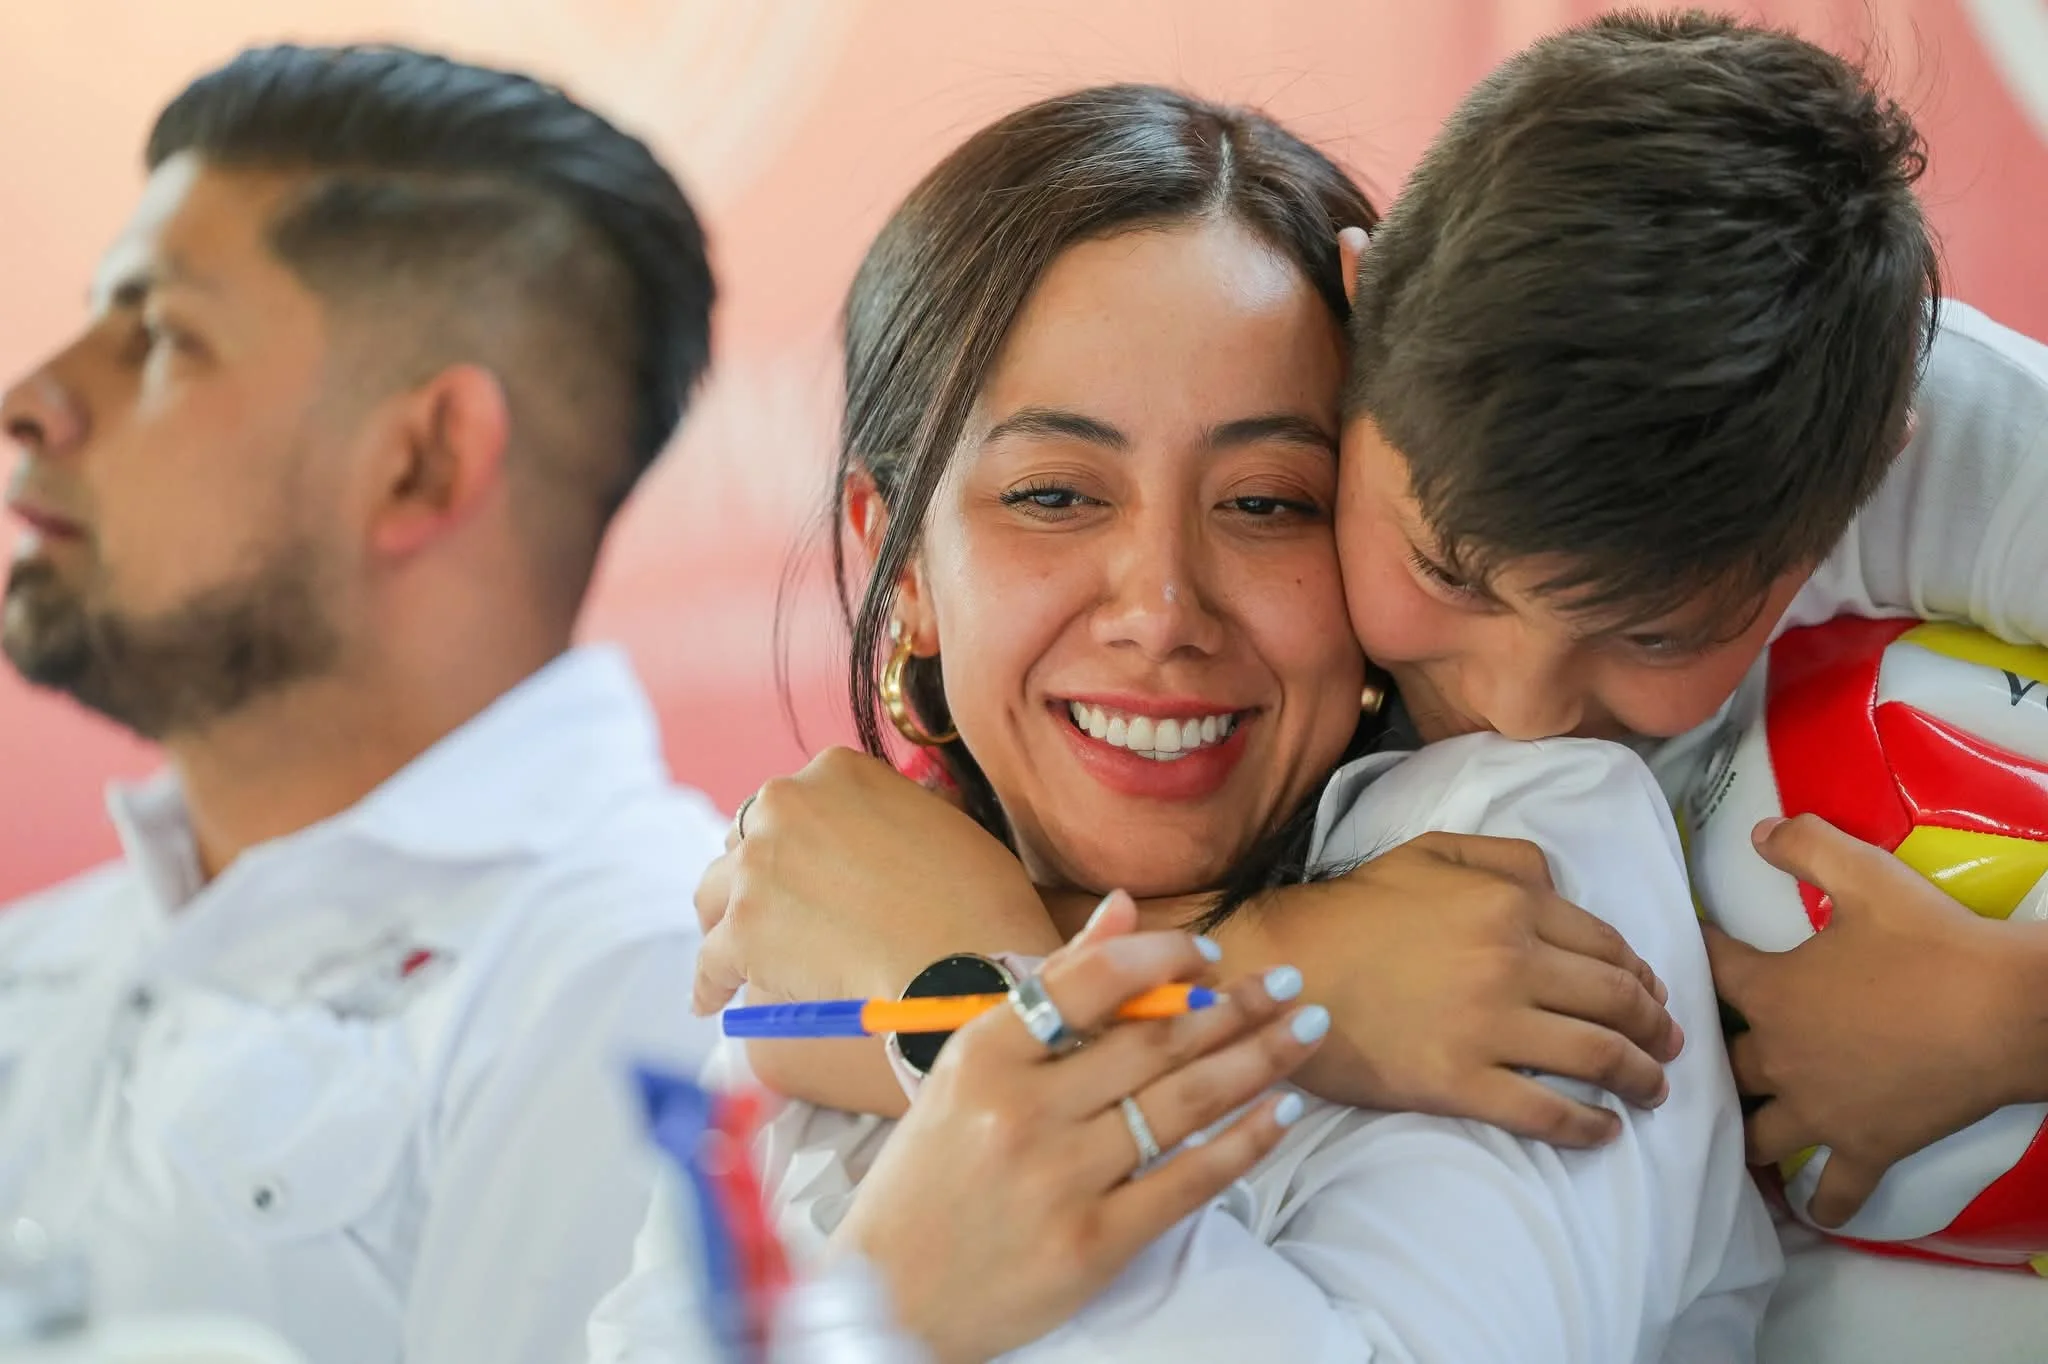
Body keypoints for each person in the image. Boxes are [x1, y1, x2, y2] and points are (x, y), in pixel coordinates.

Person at [693, 12, 2048, 1362]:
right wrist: (1217, 979)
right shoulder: (834, 904)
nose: (1525, 705)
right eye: (1053, 495)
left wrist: (964, 1008)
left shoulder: (1530, 848)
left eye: (1265, 501)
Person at [0, 44, 730, 1364]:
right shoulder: (36, 958)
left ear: (421, 463)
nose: (34, 402)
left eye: (159, 336)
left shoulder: (647, 968)